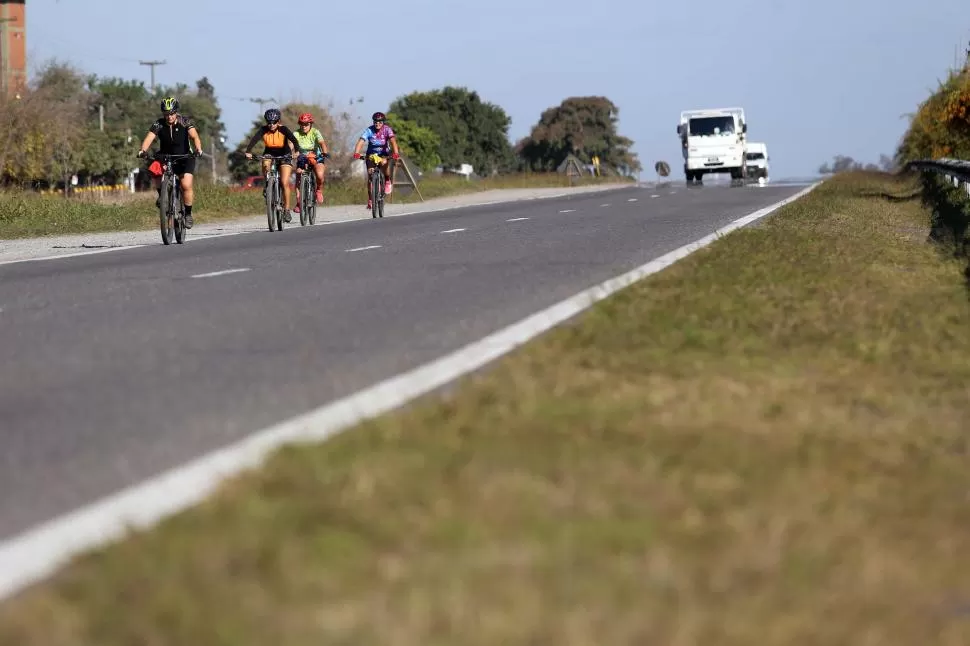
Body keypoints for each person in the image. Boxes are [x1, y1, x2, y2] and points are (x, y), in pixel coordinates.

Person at [137, 96, 203, 228]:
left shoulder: (184, 121)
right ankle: (162, 196)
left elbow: (194, 136)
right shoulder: (159, 124)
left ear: (176, 112)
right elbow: (149, 138)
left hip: (185, 156)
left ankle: (188, 214)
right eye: (166, 114)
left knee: (185, 185)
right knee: (154, 169)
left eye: (172, 113)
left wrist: (198, 149)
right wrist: (143, 150)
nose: (169, 116)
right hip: (166, 156)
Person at [243, 108, 300, 223]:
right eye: (269, 122)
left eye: (274, 122)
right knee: (265, 164)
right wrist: (248, 151)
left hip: (285, 154)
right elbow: (254, 140)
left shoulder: (283, 129)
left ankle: (287, 210)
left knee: (284, 182)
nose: (271, 125)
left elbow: (294, 140)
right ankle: (268, 184)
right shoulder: (263, 130)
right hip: (269, 153)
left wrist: (296, 151)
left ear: (278, 121)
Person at [352, 111, 401, 209]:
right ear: (373, 122)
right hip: (371, 154)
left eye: (380, 122)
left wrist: (396, 153)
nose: (377, 123)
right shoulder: (369, 130)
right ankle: (370, 199)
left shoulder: (387, 130)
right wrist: (356, 153)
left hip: (383, 153)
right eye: (375, 122)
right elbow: (361, 141)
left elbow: (393, 142)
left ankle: (387, 180)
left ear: (383, 122)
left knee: (384, 162)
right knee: (370, 174)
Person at [292, 112, 330, 212]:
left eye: (306, 124)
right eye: (302, 124)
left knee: (320, 175)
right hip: (302, 157)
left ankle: (318, 190)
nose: (304, 126)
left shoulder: (315, 132)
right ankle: (299, 202)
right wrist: (290, 152)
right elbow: (291, 143)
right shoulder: (296, 133)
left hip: (316, 156)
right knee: (299, 175)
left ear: (310, 124)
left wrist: (325, 152)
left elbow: (322, 143)